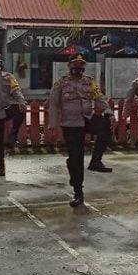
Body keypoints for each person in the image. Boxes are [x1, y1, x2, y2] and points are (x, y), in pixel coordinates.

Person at [49, 54, 112, 208]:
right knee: (76, 158)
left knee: (106, 125)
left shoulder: (90, 82)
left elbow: (99, 97)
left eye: (81, 65)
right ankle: (78, 191)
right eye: (75, 65)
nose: (78, 68)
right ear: (69, 66)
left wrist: (109, 112)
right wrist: (52, 125)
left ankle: (95, 161)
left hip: (87, 119)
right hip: (70, 124)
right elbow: (53, 104)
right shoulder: (61, 84)